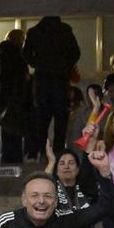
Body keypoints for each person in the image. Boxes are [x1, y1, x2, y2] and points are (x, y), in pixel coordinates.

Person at [23, 16, 81, 153]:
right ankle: (59, 153)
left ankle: (43, 153)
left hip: (42, 80)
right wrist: (64, 66)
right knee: (61, 120)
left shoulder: (34, 31)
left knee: (42, 120)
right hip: (60, 79)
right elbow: (75, 53)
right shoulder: (65, 30)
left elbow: (25, 54)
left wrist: (39, 63)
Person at [0, 28, 31, 164]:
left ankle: (7, 159)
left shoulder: (4, 54)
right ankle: (15, 160)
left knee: (7, 131)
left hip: (5, 99)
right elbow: (22, 78)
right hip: (16, 100)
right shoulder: (17, 55)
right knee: (16, 131)